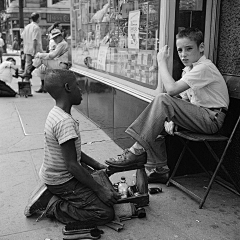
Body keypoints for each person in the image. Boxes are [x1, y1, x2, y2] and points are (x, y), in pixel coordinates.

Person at [105, 27, 229, 183]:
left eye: (189, 49)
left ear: (201, 47)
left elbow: (171, 91)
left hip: (211, 119)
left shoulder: (204, 68)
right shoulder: (189, 70)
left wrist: (161, 62)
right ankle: (159, 169)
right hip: (199, 115)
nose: (183, 54)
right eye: (180, 50)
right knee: (155, 122)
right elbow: (182, 100)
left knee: (162, 99)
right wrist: (170, 119)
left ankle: (135, 151)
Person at [24, 69, 120, 225]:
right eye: (77, 85)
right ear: (68, 88)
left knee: (102, 181)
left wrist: (97, 165)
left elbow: (71, 153)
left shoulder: (57, 113)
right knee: (105, 212)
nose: (81, 90)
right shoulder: (64, 122)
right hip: (62, 180)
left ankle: (55, 193)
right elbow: (72, 165)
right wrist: (99, 190)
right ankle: (54, 205)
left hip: (56, 175)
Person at [20, 28, 69, 93]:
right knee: (41, 67)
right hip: (60, 63)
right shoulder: (61, 44)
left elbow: (52, 55)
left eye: (56, 38)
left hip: (61, 65)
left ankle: (28, 72)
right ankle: (30, 74)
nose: (55, 40)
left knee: (41, 59)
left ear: (60, 36)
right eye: (54, 38)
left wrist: (40, 55)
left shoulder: (62, 44)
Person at [20, 12, 43, 81]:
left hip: (27, 49)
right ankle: (40, 81)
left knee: (28, 64)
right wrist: (34, 50)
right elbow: (35, 39)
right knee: (40, 64)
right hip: (35, 49)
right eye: (40, 17)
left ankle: (26, 80)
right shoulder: (36, 27)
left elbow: (22, 37)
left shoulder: (27, 27)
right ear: (38, 18)